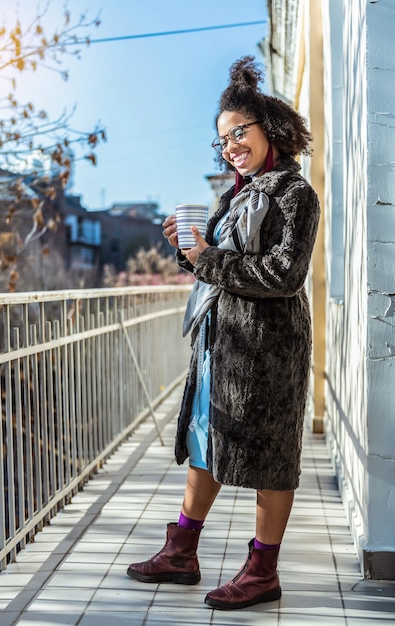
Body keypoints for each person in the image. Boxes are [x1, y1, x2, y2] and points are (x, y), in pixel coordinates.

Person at [127, 55, 320, 611]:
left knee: (271, 454)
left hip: (268, 348)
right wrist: (187, 250)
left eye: (240, 132)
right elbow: (215, 265)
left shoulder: (292, 194)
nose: (231, 144)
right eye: (223, 139)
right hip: (221, 343)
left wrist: (208, 256)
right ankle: (182, 550)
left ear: (269, 130)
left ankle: (263, 571)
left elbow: (284, 275)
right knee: (205, 441)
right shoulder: (235, 196)